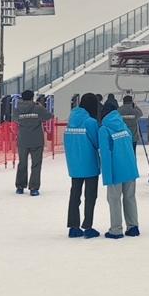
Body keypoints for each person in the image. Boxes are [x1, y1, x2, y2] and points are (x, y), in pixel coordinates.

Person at [98, 97, 140, 239]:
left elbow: (105, 153)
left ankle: (116, 229)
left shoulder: (104, 129)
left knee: (114, 199)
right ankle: (133, 226)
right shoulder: (123, 126)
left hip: (116, 169)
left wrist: (107, 176)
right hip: (130, 167)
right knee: (130, 197)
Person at [64, 92, 101, 238]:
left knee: (75, 195)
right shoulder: (90, 122)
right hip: (90, 164)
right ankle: (88, 226)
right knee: (90, 196)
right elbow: (97, 142)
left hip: (74, 164)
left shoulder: (70, 120)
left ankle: (73, 226)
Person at [15, 90, 52, 196]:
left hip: (23, 139)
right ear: (32, 97)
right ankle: (34, 188)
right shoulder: (38, 108)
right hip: (37, 140)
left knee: (22, 163)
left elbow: (15, 119)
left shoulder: (17, 109)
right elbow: (49, 116)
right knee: (36, 164)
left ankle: (20, 186)